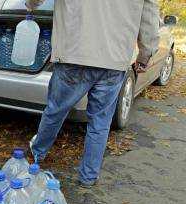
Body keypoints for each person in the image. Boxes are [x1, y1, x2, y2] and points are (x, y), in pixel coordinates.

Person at [27, 0, 160, 187]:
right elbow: (150, 18)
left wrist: (30, 5)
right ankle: (89, 176)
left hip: (73, 55)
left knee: (55, 111)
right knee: (100, 121)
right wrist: (145, 55)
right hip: (114, 61)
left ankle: (38, 154)